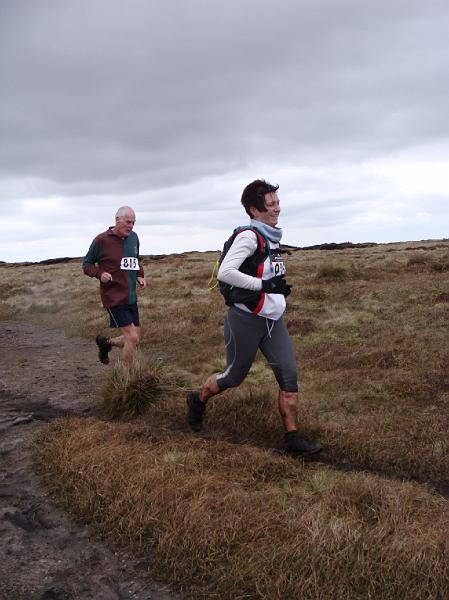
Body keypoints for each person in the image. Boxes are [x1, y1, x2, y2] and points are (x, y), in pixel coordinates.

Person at [186, 180, 322, 456]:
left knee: (289, 377)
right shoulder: (249, 237)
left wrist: (276, 290)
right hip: (245, 320)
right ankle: (197, 400)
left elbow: (267, 273)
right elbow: (225, 272)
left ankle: (292, 438)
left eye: (277, 203)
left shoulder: (272, 236)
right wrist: (265, 287)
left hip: (274, 321)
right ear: (254, 210)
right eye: (270, 205)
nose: (277, 209)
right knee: (233, 377)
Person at [83, 206, 146, 367]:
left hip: (131, 296)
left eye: (133, 222)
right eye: (128, 222)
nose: (131, 226)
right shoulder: (101, 240)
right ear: (117, 220)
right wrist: (99, 274)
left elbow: (135, 260)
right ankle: (127, 379)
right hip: (113, 297)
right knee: (132, 337)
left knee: (134, 338)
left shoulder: (134, 238)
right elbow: (87, 264)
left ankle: (106, 343)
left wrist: (140, 275)